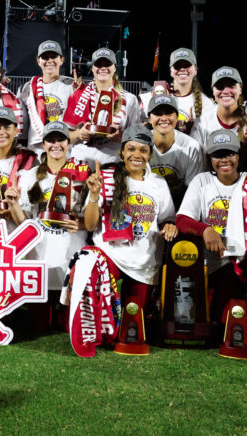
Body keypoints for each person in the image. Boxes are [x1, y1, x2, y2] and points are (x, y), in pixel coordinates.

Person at [175, 129, 247, 356]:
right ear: (210, 158)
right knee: (218, 326)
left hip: (242, 262)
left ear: (239, 155)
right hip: (213, 264)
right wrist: (205, 229)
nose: (224, 160)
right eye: (218, 155)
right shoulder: (203, 181)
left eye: (229, 153)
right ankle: (244, 311)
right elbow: (182, 219)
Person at [77, 126, 177, 348]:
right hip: (110, 254)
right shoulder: (106, 178)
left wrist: (170, 226)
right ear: (122, 152)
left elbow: (167, 219)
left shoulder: (158, 184)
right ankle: (87, 323)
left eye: (143, 150)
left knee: (133, 322)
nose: (137, 155)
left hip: (144, 261)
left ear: (150, 154)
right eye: (131, 149)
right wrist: (94, 195)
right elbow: (92, 225)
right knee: (91, 267)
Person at [6, 121, 87, 332]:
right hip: (40, 258)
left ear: (68, 144)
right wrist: (13, 203)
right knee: (37, 326)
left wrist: (80, 223)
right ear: (43, 145)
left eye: (60, 140)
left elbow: (90, 221)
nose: (56, 145)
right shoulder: (30, 176)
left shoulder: (82, 176)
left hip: (69, 257)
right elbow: (25, 224)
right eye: (50, 140)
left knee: (68, 327)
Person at [66, 48, 141, 165]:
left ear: (115, 68)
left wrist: (121, 137)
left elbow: (137, 138)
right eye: (98, 64)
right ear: (92, 68)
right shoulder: (77, 96)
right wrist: (79, 133)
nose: (103, 68)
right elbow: (65, 137)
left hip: (113, 164)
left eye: (107, 64)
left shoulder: (130, 99)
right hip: (81, 165)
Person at [193, 67, 247, 172]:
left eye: (231, 85)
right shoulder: (202, 124)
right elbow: (196, 167)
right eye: (220, 87)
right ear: (213, 91)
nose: (226, 91)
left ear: (240, 89)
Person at [139, 47, 216, 134]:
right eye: (177, 66)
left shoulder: (207, 105)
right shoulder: (153, 96)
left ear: (195, 69)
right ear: (171, 70)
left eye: (187, 65)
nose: (182, 69)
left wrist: (194, 129)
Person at [145, 93, 203, 207]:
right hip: (147, 204)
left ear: (176, 117)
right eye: (158, 113)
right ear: (149, 119)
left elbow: (193, 192)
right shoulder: (141, 144)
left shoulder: (191, 146)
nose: (164, 118)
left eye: (169, 113)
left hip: (179, 205)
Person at [17, 40, 75, 153]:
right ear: (38, 61)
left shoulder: (72, 85)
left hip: (64, 151)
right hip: (37, 151)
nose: (49, 61)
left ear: (61, 60)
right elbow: (23, 122)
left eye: (54, 57)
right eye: (45, 57)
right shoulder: (28, 88)